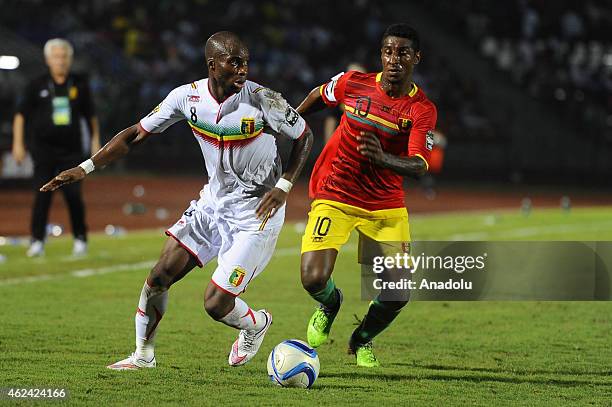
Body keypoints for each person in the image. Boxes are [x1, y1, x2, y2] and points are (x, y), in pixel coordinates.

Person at [41, 31, 313, 370]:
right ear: (213, 65)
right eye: (234, 62)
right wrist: (85, 167)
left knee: (215, 304)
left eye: (245, 62)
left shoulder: (263, 100)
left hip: (256, 215)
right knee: (157, 277)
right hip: (212, 206)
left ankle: (256, 324)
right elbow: (137, 133)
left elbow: (304, 135)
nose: (243, 69)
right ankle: (143, 356)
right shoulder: (187, 97)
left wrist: (285, 185)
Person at [296, 23, 437, 367]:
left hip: (384, 205)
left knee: (397, 294)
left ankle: (361, 339)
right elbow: (319, 95)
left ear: (416, 57)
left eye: (403, 52)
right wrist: (293, 121)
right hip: (337, 192)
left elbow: (420, 165)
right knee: (313, 277)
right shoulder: (352, 84)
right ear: (381, 55)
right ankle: (330, 303)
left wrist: (383, 158)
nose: (394, 59)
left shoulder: (421, 109)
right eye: (388, 51)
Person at [12, 38, 101, 257]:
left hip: (71, 150)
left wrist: (96, 141)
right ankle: (37, 241)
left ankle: (80, 239)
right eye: (56, 56)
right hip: (43, 149)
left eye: (64, 56)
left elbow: (91, 117)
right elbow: (20, 115)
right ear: (47, 59)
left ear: (70, 59)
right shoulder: (37, 84)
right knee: (41, 195)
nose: (60, 61)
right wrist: (17, 144)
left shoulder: (79, 83)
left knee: (73, 195)